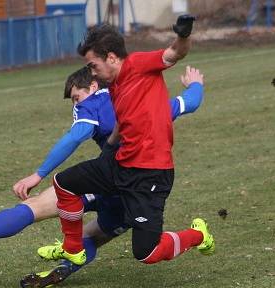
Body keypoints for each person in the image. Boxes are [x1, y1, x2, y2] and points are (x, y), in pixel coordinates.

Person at [0, 63, 205, 286]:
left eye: (76, 97)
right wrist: (195, 85)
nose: (76, 106)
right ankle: (69, 264)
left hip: (111, 178)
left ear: (92, 86)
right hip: (137, 190)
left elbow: (74, 136)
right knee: (94, 235)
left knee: (35, 206)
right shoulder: (143, 104)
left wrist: (37, 173)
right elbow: (188, 103)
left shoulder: (94, 102)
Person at [38, 16, 215, 272]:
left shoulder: (139, 64)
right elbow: (123, 123)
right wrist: (108, 150)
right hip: (119, 162)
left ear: (111, 58)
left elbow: (175, 52)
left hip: (150, 173)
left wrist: (183, 34)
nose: (91, 72)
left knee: (147, 252)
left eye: (93, 65)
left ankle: (198, 235)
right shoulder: (114, 86)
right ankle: (74, 249)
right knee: (64, 183)